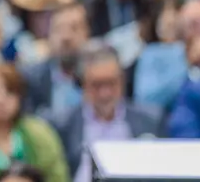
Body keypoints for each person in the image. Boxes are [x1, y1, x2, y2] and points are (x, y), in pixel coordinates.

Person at [47, 42, 163, 182]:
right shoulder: (62, 125)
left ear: (122, 81)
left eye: (111, 83)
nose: (105, 93)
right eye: (97, 85)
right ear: (84, 85)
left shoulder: (150, 121)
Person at [21, 3, 90, 114]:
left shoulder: (100, 77)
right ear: (49, 36)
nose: (66, 37)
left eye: (74, 28)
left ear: (87, 34)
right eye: (59, 29)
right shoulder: (31, 79)